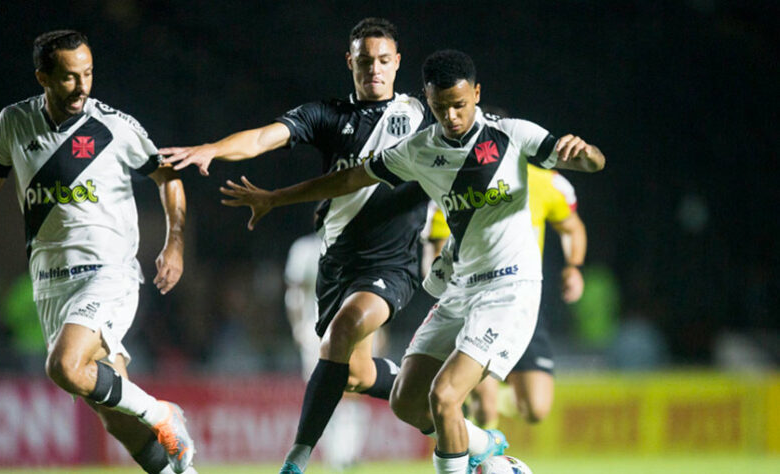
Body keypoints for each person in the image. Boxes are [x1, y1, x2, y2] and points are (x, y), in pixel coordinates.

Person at [218, 49, 605, 474]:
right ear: (428, 98)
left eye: (460, 105)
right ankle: (488, 449)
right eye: (441, 108)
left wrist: (585, 152)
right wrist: (276, 198)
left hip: (509, 288)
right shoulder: (419, 149)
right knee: (407, 401)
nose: (452, 116)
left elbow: (590, 162)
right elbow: (349, 178)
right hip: (461, 289)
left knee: (445, 396)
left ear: (476, 93)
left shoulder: (513, 135)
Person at [161, 18, 433, 474]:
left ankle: (297, 459)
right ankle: (444, 402)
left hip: (393, 262)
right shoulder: (328, 116)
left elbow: (474, 131)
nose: (374, 70)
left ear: (398, 62)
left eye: (384, 61)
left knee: (343, 330)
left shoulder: (421, 117)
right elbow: (264, 138)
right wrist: (213, 148)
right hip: (337, 265)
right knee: (357, 374)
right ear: (350, 62)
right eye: (365, 61)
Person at [0, 30, 196, 474]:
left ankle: (164, 414)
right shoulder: (13, 123)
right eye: (68, 77)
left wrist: (174, 241)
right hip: (50, 283)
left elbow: (168, 177)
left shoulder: (114, 127)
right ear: (42, 77)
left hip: (108, 272)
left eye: (88, 74)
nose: (82, 87)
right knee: (114, 413)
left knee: (64, 366)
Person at [425, 159, 588, 428]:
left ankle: (481, 395)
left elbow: (572, 227)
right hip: (475, 306)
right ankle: (482, 461)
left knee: (536, 408)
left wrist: (574, 267)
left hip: (522, 304)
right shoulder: (454, 187)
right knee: (486, 407)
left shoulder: (543, 182)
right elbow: (435, 257)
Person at [284, 232, 370, 471]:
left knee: (352, 389)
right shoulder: (303, 249)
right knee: (323, 393)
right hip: (314, 332)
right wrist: (298, 327)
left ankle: (348, 452)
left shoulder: (355, 244)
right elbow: (294, 294)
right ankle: (336, 455)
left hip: (352, 328)